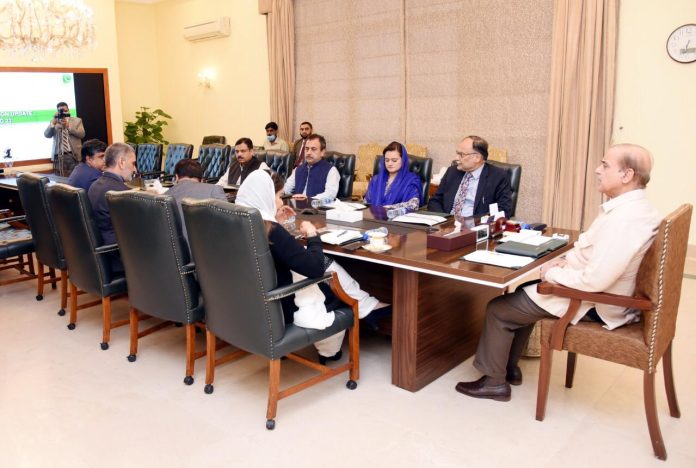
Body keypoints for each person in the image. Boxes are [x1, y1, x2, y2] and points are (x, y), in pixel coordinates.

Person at [455, 144, 661, 402]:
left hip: (595, 302)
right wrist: (565, 263)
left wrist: (551, 274)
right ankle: (508, 368)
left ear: (627, 175)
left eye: (605, 165)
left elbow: (595, 281)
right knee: (522, 291)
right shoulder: (636, 209)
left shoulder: (624, 219)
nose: (597, 170)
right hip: (600, 292)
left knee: (499, 309)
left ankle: (494, 382)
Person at [236, 170, 389, 363]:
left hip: (251, 305)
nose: (282, 203)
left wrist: (278, 223)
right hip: (282, 306)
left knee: (325, 267)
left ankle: (366, 306)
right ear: (266, 196)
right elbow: (315, 268)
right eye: (279, 196)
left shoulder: (240, 223)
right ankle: (332, 349)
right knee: (331, 284)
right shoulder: (271, 231)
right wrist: (312, 235)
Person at [428, 135, 512, 217]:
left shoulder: (498, 177)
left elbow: (503, 210)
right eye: (457, 153)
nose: (456, 158)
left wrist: (472, 223)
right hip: (447, 222)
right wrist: (445, 219)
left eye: (461, 154)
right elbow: (435, 200)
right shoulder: (452, 172)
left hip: (475, 224)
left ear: (477, 158)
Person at [87, 142, 137, 274]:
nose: (135, 170)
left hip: (98, 253)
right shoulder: (120, 193)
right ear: (122, 162)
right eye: (133, 163)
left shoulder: (94, 185)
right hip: (116, 256)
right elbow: (135, 229)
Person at [168, 159, 227, 241]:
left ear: (176, 177)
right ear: (202, 179)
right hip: (205, 246)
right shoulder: (214, 189)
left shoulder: (163, 196)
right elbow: (227, 223)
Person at [365, 141, 422, 210]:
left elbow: (413, 205)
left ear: (403, 160)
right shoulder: (376, 179)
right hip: (373, 215)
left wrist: (386, 208)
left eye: (394, 160)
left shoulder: (411, 180)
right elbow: (366, 203)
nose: (390, 164)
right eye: (387, 160)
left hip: (399, 216)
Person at [283, 133, 340, 200]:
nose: (308, 152)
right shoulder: (298, 169)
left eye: (313, 149)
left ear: (322, 152)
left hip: (317, 206)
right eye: (306, 149)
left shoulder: (331, 170)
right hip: (296, 205)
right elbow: (286, 189)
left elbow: (330, 195)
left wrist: (309, 199)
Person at [44, 101, 85, 177]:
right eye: (61, 111)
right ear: (58, 112)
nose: (64, 113)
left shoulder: (77, 120)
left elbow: (82, 134)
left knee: (75, 177)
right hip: (59, 156)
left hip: (73, 155)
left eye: (65, 111)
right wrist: (52, 124)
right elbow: (47, 135)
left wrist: (68, 126)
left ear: (68, 110)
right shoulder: (55, 122)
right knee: (60, 179)